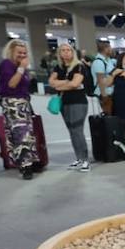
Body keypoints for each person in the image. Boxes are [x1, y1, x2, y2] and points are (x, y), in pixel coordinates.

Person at [0, 39, 41, 179]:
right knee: (20, 134)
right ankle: (25, 165)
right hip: (12, 103)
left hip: (23, 103)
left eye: (24, 53)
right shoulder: (7, 65)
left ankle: (30, 160)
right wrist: (21, 68)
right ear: (11, 52)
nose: (22, 55)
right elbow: (11, 84)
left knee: (27, 134)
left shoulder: (20, 66)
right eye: (19, 53)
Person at [49, 42, 91, 171]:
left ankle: (85, 160)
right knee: (71, 131)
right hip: (64, 103)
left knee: (78, 131)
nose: (66, 52)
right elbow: (51, 82)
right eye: (63, 50)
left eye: (69, 50)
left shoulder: (79, 66)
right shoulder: (58, 67)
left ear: (73, 52)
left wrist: (60, 85)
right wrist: (67, 82)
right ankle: (78, 158)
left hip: (78, 102)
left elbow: (75, 83)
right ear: (59, 53)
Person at [90, 39, 115, 115]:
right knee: (108, 119)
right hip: (104, 95)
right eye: (110, 47)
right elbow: (100, 80)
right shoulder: (98, 62)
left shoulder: (108, 60)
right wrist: (104, 97)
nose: (111, 49)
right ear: (105, 49)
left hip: (110, 93)